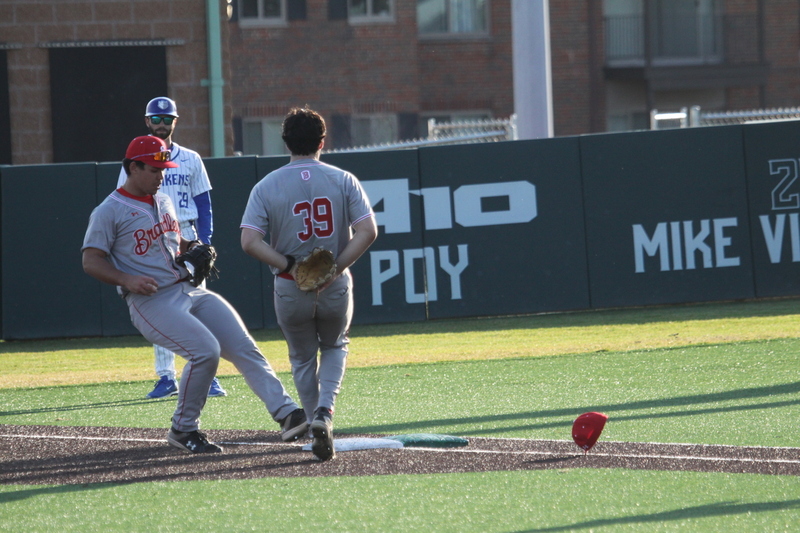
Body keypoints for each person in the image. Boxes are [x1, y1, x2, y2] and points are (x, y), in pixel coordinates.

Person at [84, 135, 308, 454]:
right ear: (134, 167)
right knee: (205, 351)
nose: (162, 175)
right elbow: (90, 260)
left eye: (164, 168)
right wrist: (127, 279)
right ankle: (183, 429)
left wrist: (194, 248)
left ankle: (287, 414)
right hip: (151, 300)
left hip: (189, 288)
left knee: (244, 347)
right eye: (155, 169)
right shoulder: (109, 210)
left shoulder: (163, 201)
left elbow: (175, 244)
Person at [240, 106, 378, 461]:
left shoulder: (265, 185)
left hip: (289, 286)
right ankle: (324, 415)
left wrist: (288, 263)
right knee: (335, 346)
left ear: (285, 141)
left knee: (302, 358)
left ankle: (317, 418)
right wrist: (334, 269)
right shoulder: (342, 178)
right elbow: (368, 231)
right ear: (322, 141)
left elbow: (249, 241)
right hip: (334, 286)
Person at [117, 96, 227, 399]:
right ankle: (166, 376)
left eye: (168, 119)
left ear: (175, 122)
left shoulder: (191, 158)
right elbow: (123, 200)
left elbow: (204, 205)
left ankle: (209, 374)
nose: (162, 124)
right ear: (147, 121)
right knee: (160, 305)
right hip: (152, 238)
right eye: (157, 119)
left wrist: (204, 243)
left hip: (187, 234)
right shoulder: (136, 159)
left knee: (197, 303)